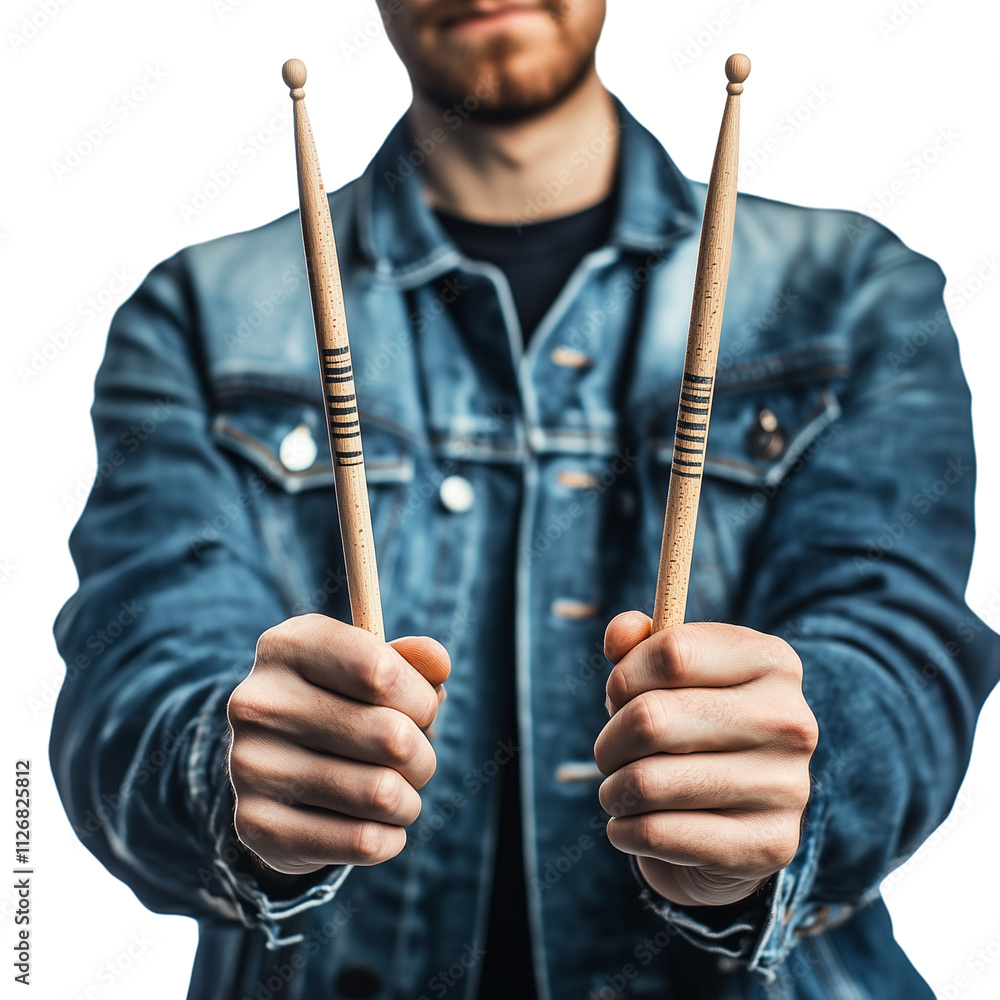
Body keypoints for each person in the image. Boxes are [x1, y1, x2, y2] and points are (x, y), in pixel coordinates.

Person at [50, 2, 999, 998]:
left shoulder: (850, 289)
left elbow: (904, 656)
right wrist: (229, 771)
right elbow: (126, 690)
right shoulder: (198, 315)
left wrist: (789, 783)